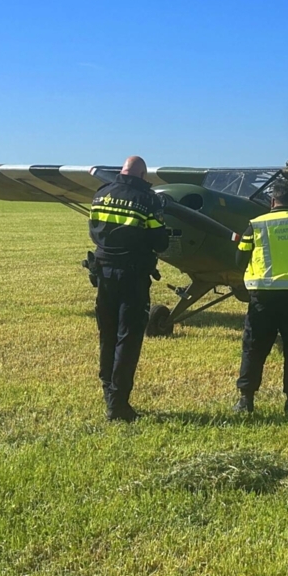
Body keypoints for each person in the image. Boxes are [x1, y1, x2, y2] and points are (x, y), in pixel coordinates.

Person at [89, 156, 168, 421]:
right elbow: (160, 241)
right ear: (143, 175)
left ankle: (108, 393)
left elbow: (95, 231)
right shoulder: (147, 199)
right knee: (128, 338)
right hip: (132, 275)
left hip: (104, 273)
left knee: (107, 335)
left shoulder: (101, 194)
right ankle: (119, 404)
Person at [234, 179, 288, 414]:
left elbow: (239, 259)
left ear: (273, 201)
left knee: (254, 348)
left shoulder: (256, 225)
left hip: (264, 297)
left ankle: (246, 400)